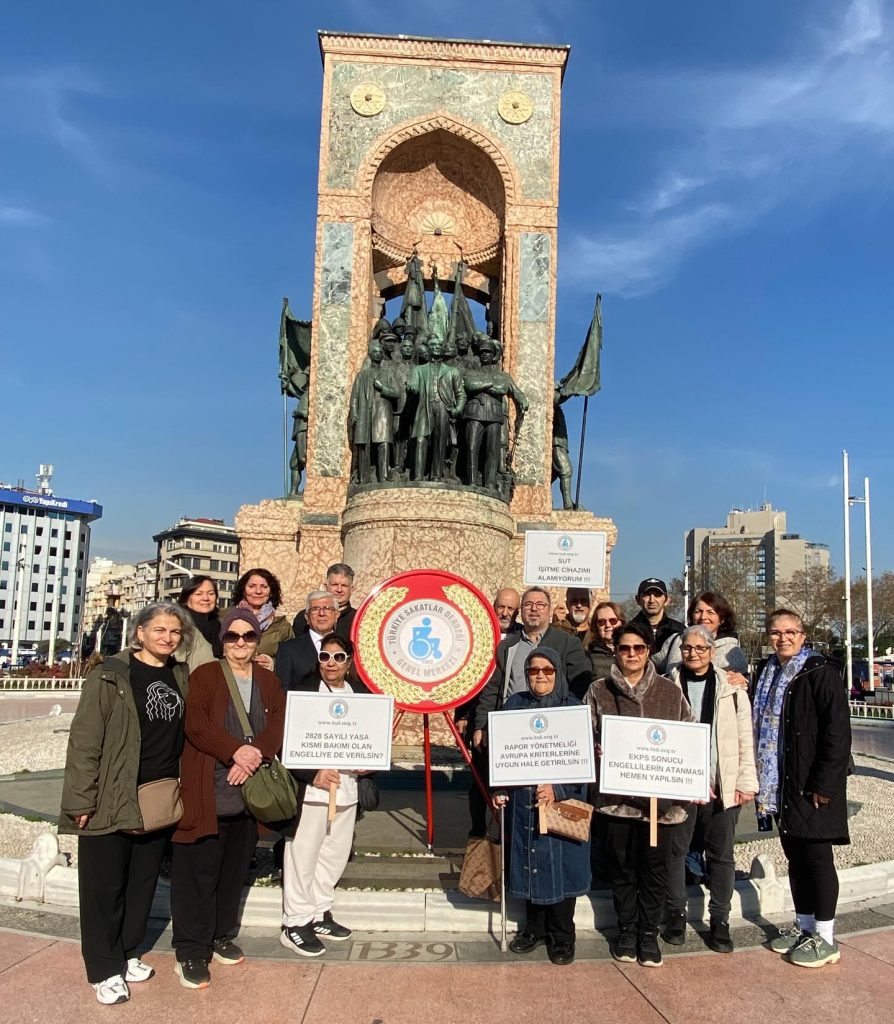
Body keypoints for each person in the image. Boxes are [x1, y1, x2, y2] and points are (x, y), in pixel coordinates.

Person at [60, 603, 192, 1004]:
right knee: (104, 886)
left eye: (174, 632)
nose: (167, 637)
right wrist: (80, 797)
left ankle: (130, 950)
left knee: (141, 881)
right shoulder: (110, 675)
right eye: (159, 630)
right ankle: (103, 968)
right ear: (140, 633)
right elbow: (84, 740)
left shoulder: (179, 675)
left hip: (157, 794)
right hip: (112, 794)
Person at [170, 608, 287, 988]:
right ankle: (190, 949)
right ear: (223, 640)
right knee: (198, 871)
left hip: (248, 790)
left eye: (248, 636)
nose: (241, 643)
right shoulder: (206, 675)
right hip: (211, 783)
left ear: (257, 640)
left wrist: (254, 757)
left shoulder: (268, 680)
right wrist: (235, 751)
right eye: (233, 636)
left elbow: (279, 725)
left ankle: (220, 935)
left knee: (234, 868)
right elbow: (196, 723)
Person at [586, 621, 694, 968]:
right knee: (623, 869)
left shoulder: (669, 691)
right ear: (615, 651)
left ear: (649, 651)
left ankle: (649, 933)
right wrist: (597, 751)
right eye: (624, 648)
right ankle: (627, 931)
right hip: (617, 804)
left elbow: (688, 738)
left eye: (639, 648)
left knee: (654, 868)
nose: (631, 654)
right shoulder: (599, 690)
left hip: (659, 808)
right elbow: (582, 738)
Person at [754, 609, 851, 968]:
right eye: (777, 632)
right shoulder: (768, 673)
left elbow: (837, 733)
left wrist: (825, 783)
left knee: (817, 859)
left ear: (803, 634)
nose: (783, 638)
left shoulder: (819, 672)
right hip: (782, 783)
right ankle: (805, 925)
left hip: (812, 785)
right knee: (795, 857)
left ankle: (826, 936)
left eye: (790, 632)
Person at [662, 625, 757, 952]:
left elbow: (745, 739)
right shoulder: (667, 686)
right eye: (687, 648)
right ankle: (675, 913)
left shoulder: (732, 690)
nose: (693, 653)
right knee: (674, 852)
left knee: (721, 855)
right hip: (680, 786)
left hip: (722, 784)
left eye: (701, 648)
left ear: (712, 651)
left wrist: (745, 783)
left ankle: (719, 919)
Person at [493, 648, 591, 966]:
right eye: (534, 670)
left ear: (558, 673)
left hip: (561, 803)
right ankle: (533, 929)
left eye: (547, 671)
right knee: (530, 864)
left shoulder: (572, 709)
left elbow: (583, 763)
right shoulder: (515, 705)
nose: (540, 676)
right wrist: (500, 787)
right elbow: (502, 753)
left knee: (560, 866)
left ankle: (562, 934)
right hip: (524, 802)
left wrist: (557, 788)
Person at [280, 634, 365, 956]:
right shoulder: (302, 692)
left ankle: (318, 912)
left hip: (347, 788)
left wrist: (370, 765)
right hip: (313, 790)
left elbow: (368, 740)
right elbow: (286, 741)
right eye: (326, 656)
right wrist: (311, 773)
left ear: (350, 661)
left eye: (339, 657)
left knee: (334, 854)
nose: (331, 663)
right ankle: (295, 921)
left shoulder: (362, 695)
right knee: (303, 854)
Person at [473, 587, 592, 749]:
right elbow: (492, 689)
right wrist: (482, 725)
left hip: (554, 730)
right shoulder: (506, 646)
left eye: (540, 604)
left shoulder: (568, 643)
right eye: (528, 604)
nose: (534, 609)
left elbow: (580, 686)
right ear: (521, 611)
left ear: (549, 610)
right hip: (511, 729)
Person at [655, 591, 749, 678]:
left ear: (722, 619)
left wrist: (744, 681)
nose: (703, 617)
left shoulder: (732, 650)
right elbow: (652, 667)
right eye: (698, 612)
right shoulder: (675, 640)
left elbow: (745, 680)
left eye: (710, 612)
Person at [276, 591, 339, 692]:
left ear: (337, 615)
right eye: (315, 609)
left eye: (327, 609)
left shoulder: (347, 647)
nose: (321, 613)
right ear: (306, 617)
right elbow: (282, 691)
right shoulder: (288, 649)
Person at [232, 568, 293, 671]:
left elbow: (293, 658)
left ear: (271, 592)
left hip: (265, 681)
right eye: (252, 586)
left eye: (264, 587)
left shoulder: (282, 626)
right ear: (243, 590)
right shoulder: (228, 619)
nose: (258, 591)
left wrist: (272, 662)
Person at [292, 563, 357, 640]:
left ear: (351, 589)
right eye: (334, 584)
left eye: (344, 585)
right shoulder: (305, 617)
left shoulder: (358, 620)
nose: (339, 590)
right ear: (326, 586)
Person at [177, 575, 222, 673]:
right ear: (186, 598)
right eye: (198, 594)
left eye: (211, 593)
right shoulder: (181, 626)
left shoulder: (219, 626)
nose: (206, 598)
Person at [630, 578, 684, 653]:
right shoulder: (629, 630)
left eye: (657, 595)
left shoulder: (679, 630)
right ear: (638, 600)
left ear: (667, 600)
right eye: (647, 595)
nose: (652, 600)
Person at [585, 601, 625, 682]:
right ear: (595, 626)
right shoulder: (587, 655)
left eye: (613, 620)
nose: (608, 625)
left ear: (622, 623)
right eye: (601, 622)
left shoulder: (633, 650)